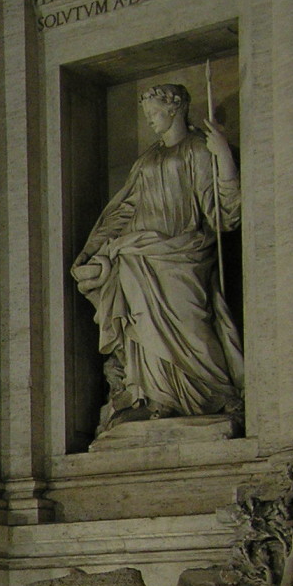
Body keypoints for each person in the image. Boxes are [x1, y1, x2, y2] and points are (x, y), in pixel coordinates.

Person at [73, 83, 243, 429]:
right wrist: (91, 252)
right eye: (146, 114)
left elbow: (223, 212)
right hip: (136, 255)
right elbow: (122, 211)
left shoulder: (197, 149)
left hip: (185, 253)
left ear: (176, 108)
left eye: (154, 113)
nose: (149, 120)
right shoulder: (146, 159)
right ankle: (157, 398)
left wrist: (223, 155)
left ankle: (215, 393)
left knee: (193, 324)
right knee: (143, 330)